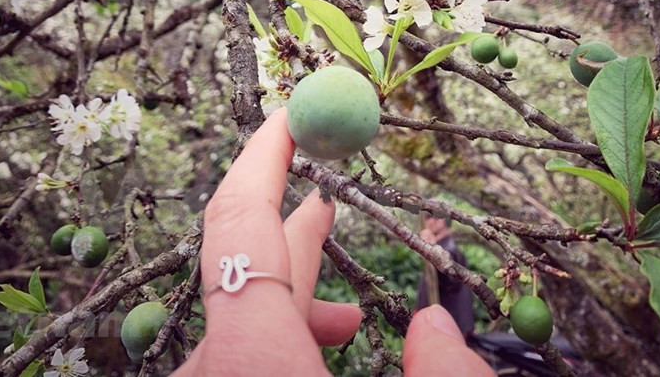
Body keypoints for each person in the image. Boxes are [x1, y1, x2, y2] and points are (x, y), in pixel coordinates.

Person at [172, 109, 494, 376]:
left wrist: (436, 249)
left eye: (435, 220)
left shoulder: (452, 251)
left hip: (458, 328)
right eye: (430, 218)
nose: (430, 222)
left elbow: (451, 277)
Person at [417, 215, 476, 339]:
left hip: (450, 329)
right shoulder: (444, 247)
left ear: (440, 220)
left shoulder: (450, 250)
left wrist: (432, 250)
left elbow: (449, 280)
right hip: (443, 326)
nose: (427, 221)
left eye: (429, 217)